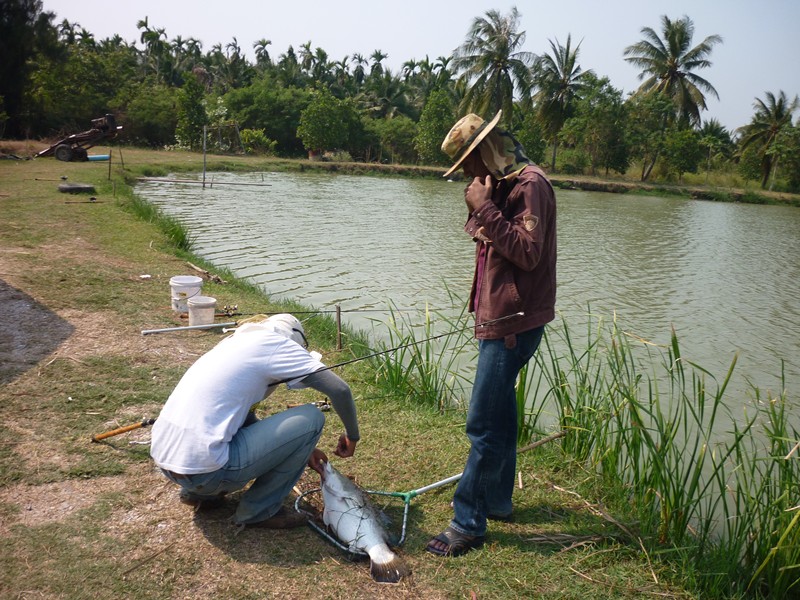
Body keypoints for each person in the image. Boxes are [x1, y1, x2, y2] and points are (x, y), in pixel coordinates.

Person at [427, 110, 557, 556]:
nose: (466, 171)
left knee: (482, 422)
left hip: (513, 324)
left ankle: (468, 524)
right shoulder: (502, 185)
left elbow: (526, 253)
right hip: (500, 318)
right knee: (500, 417)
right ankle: (498, 500)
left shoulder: (530, 186)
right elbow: (484, 236)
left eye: (467, 160)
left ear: (486, 148)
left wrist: (483, 206)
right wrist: (480, 205)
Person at [150, 313, 359, 528]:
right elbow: (340, 390)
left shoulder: (234, 344)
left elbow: (244, 420)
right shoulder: (276, 344)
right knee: (312, 417)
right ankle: (259, 511)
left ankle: (201, 494)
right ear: (294, 342)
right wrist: (352, 436)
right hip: (206, 471)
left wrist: (302, 449)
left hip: (167, 463)